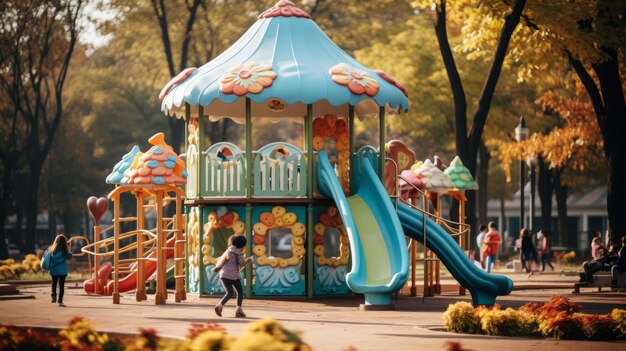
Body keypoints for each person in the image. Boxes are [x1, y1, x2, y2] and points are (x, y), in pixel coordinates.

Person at [214, 235, 253, 318]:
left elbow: (222, 261)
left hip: (223, 275)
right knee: (240, 292)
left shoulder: (229, 250)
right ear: (242, 245)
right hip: (233, 276)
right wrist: (248, 260)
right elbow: (242, 263)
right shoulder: (239, 253)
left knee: (229, 293)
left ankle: (220, 305)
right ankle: (238, 309)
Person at [44, 234, 72, 307]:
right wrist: (68, 247)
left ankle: (53, 296)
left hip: (54, 270)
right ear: (64, 242)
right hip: (62, 271)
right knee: (61, 286)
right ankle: (60, 302)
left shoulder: (52, 250)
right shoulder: (65, 251)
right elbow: (70, 255)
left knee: (54, 283)